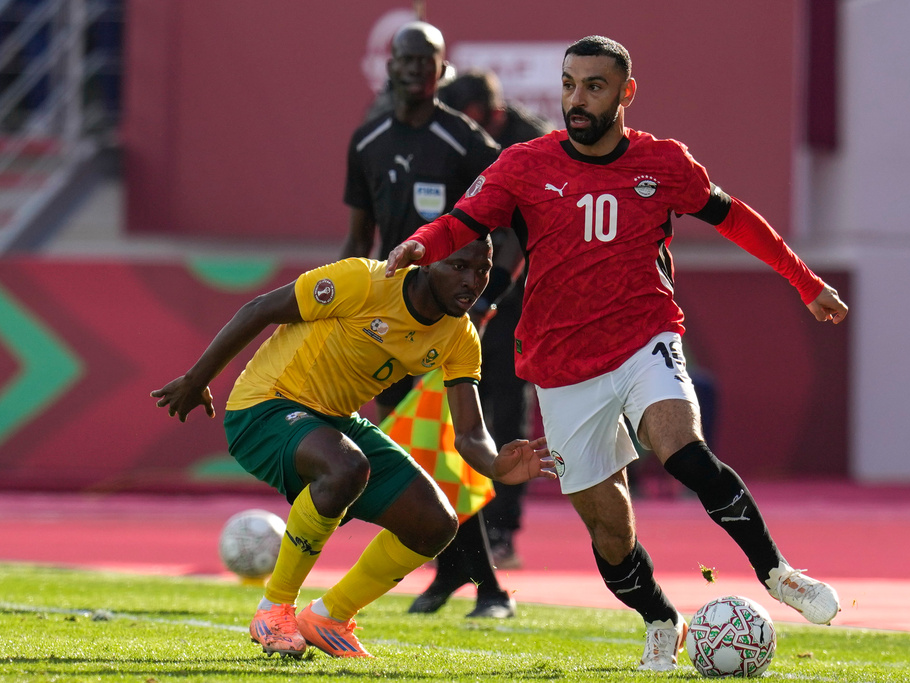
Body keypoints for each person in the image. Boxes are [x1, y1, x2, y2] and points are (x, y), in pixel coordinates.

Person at [386, 35, 849, 672]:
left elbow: (733, 216)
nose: (577, 99)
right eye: (570, 84)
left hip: (645, 336)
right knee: (610, 531)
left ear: (626, 94)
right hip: (559, 364)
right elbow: (464, 222)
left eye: (594, 87)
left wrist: (804, 281)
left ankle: (777, 573)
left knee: (682, 450)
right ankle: (661, 619)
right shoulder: (524, 164)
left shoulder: (663, 164)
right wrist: (420, 242)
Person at [150, 238, 553, 660]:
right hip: (265, 406)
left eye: (482, 269)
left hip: (336, 421)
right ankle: (274, 608)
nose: (473, 281)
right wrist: (197, 379)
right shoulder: (364, 279)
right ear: (428, 262)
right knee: (345, 467)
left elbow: (470, 433)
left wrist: (496, 465)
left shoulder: (459, 335)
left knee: (436, 523)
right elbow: (260, 309)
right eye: (460, 266)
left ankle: (330, 616)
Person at [341, 21, 517, 619]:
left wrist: (488, 301)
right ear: (389, 65)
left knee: (447, 448)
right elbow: (358, 239)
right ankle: (456, 577)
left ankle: (487, 587)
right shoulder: (367, 143)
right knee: (421, 456)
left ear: (442, 71)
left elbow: (515, 222)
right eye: (406, 59)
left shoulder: (465, 142)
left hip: (449, 323)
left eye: (428, 61)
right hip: (387, 322)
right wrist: (347, 305)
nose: (416, 69)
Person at [438, 70, 554, 570]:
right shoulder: (445, 137)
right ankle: (447, 528)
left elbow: (530, 233)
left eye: (471, 123)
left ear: (495, 116)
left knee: (504, 406)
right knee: (449, 409)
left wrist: (495, 293)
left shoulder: (532, 145)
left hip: (516, 296)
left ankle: (503, 531)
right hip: (456, 288)